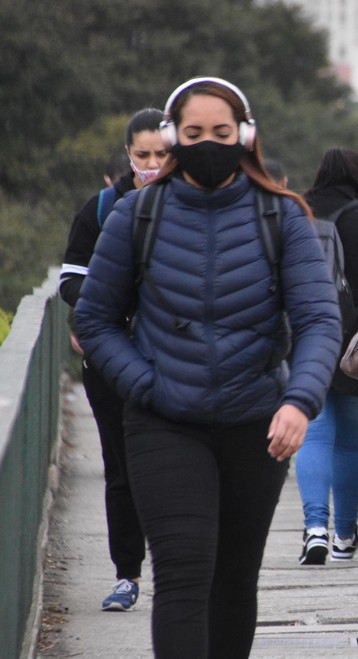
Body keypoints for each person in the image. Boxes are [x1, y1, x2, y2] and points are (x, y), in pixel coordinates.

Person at [74, 77, 341, 658]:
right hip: (164, 423)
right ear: (172, 138)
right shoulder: (136, 216)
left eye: (221, 133)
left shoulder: (284, 217)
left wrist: (300, 400)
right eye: (194, 133)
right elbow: (93, 321)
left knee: (234, 580)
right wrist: (146, 383)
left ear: (245, 136)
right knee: (184, 570)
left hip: (255, 424)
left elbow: (320, 320)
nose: (209, 144)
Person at [58, 107, 168, 611]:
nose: (151, 163)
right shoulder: (102, 209)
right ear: (128, 154)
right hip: (111, 361)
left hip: (174, 359)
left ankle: (178, 570)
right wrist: (109, 303)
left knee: (173, 466)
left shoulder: (199, 206)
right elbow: (69, 282)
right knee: (121, 470)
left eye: (162, 154)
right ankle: (127, 574)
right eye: (142, 154)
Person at [295, 148, 358, 565]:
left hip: (306, 341)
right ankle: (345, 537)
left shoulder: (293, 214)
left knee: (314, 435)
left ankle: (315, 527)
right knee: (350, 443)